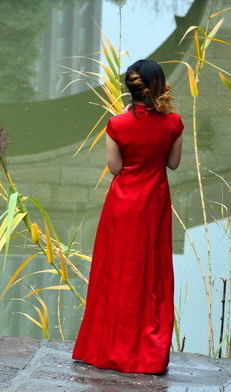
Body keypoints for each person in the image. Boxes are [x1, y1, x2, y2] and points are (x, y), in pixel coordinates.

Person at [72, 58, 183, 375]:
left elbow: (116, 169)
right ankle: (147, 355)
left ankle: (105, 350)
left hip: (122, 206)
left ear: (130, 90)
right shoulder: (173, 123)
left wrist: (124, 115)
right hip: (154, 205)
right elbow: (173, 165)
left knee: (115, 274)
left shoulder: (117, 124)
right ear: (159, 86)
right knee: (151, 275)